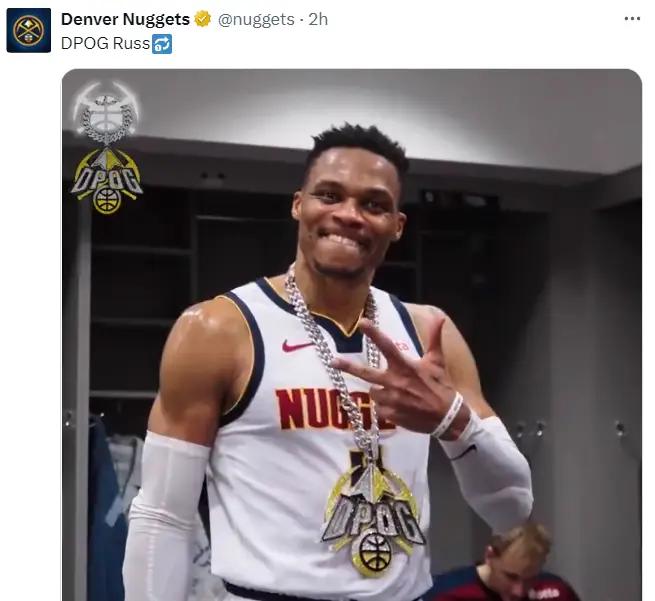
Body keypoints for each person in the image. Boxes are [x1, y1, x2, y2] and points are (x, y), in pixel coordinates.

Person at [122, 123, 533, 601]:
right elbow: (162, 515)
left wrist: (453, 421)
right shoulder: (218, 330)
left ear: (397, 225)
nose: (349, 215)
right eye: (330, 195)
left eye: (374, 204)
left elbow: (512, 510)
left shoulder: (428, 333)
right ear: (299, 204)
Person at [429, 522, 581, 601]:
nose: (519, 591)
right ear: (489, 556)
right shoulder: (446, 594)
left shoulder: (558, 591)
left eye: (531, 579)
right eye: (511, 577)